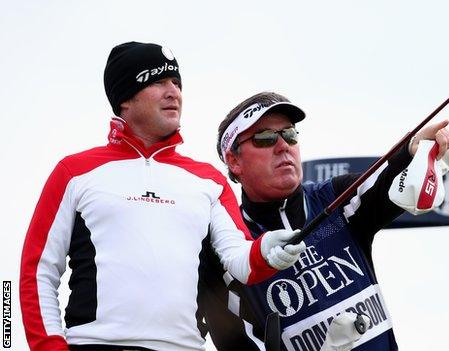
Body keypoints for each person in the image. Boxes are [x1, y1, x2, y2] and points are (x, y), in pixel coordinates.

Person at [19, 43, 305, 351]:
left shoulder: (207, 179)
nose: (174, 93)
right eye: (158, 81)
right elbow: (35, 272)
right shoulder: (74, 171)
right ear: (125, 98)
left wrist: (265, 252)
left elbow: (240, 260)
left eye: (177, 84)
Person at [213, 91, 449, 350]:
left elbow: (384, 181)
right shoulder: (229, 247)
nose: (283, 145)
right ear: (234, 161)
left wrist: (413, 149)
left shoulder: (335, 197)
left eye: (289, 134)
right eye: (265, 138)